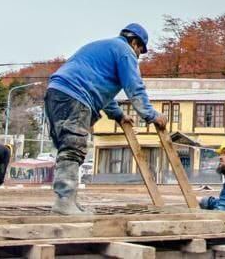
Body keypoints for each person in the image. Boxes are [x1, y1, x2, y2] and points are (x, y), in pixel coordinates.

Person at [45, 23, 168, 214]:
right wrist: (151, 115)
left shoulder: (104, 47)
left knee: (67, 147)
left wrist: (118, 115)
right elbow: (135, 88)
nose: (138, 56)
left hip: (57, 93)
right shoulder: (125, 51)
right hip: (75, 96)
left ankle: (69, 202)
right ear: (134, 42)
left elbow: (101, 91)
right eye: (140, 51)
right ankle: (64, 203)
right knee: (73, 148)